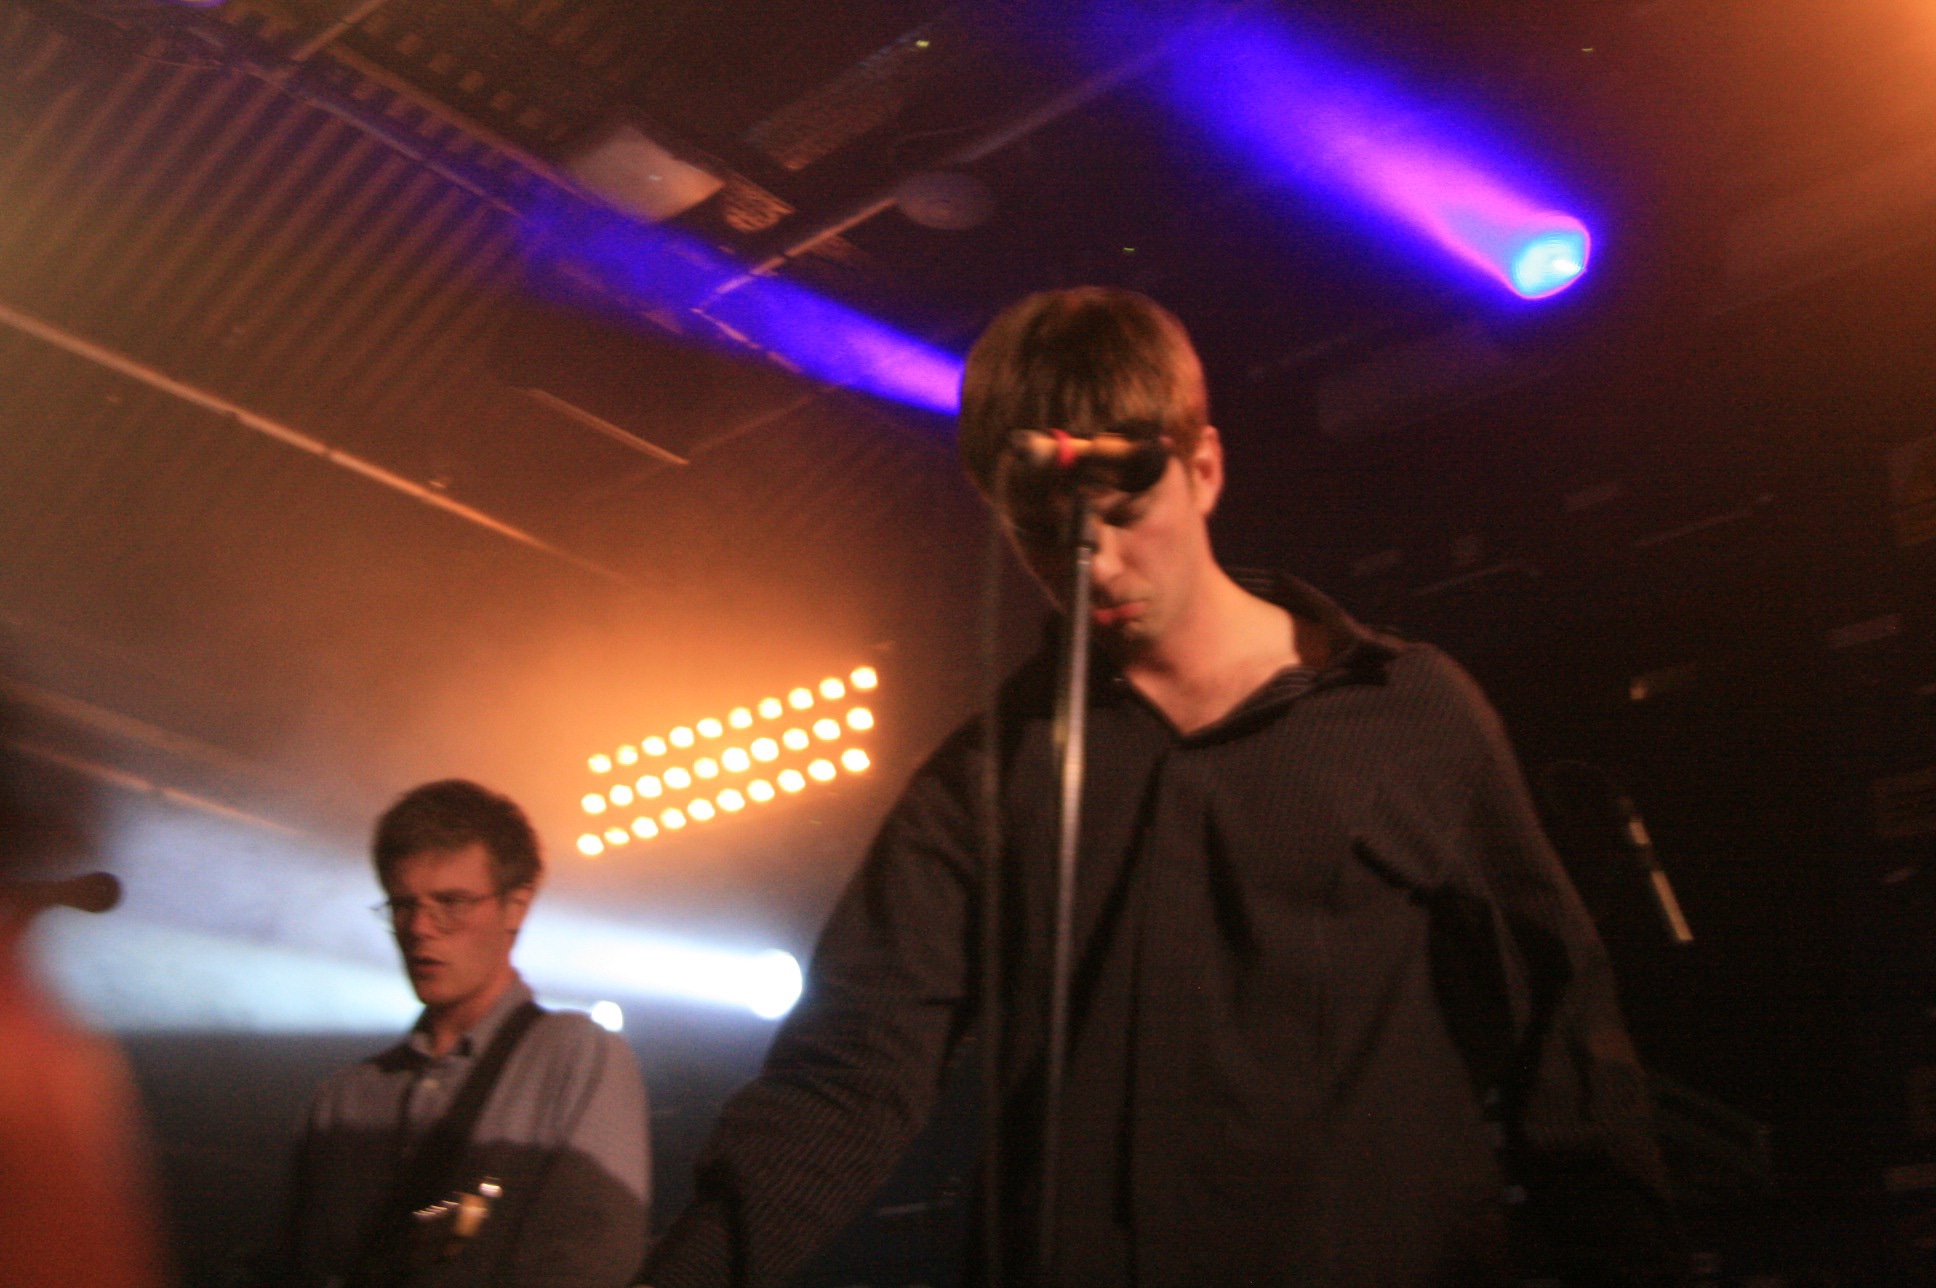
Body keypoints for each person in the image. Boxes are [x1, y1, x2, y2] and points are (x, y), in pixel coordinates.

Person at [642, 288, 1676, 1287]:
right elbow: (848, 1074)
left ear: (1205, 467)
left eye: (1126, 511)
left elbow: (1560, 1032)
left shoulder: (1407, 712)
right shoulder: (984, 778)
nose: (1092, 563)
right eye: (1040, 531)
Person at [284, 779, 650, 1288]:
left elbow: (590, 1260)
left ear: (516, 907)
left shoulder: (576, 1055)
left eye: (451, 903)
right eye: (403, 905)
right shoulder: (341, 1100)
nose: (419, 928)